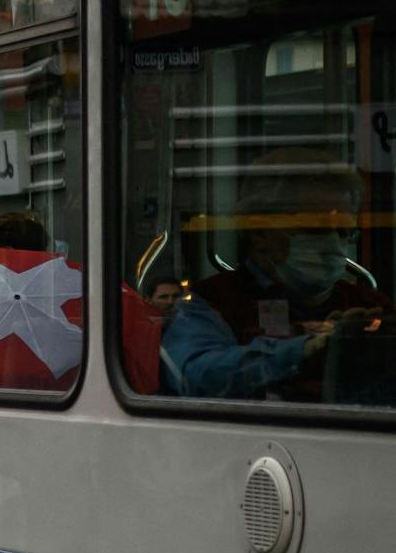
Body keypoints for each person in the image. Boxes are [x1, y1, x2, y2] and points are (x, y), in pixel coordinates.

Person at [163, 150, 392, 401]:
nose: (333, 245)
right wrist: (306, 350)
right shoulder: (210, 304)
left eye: (344, 232)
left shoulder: (371, 306)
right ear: (260, 233)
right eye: (314, 229)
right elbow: (193, 375)